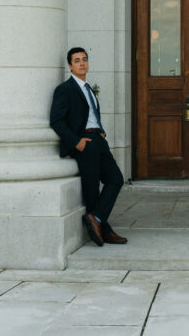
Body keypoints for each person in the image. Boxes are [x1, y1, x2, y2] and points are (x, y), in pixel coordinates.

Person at [50, 47, 127, 246]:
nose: (82, 63)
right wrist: (76, 142)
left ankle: (97, 219)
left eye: (84, 59)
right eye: (77, 60)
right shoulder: (65, 89)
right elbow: (56, 121)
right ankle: (104, 229)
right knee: (91, 188)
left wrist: (100, 130)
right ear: (70, 66)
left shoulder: (89, 89)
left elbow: (90, 114)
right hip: (84, 142)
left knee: (116, 179)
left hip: (98, 140)